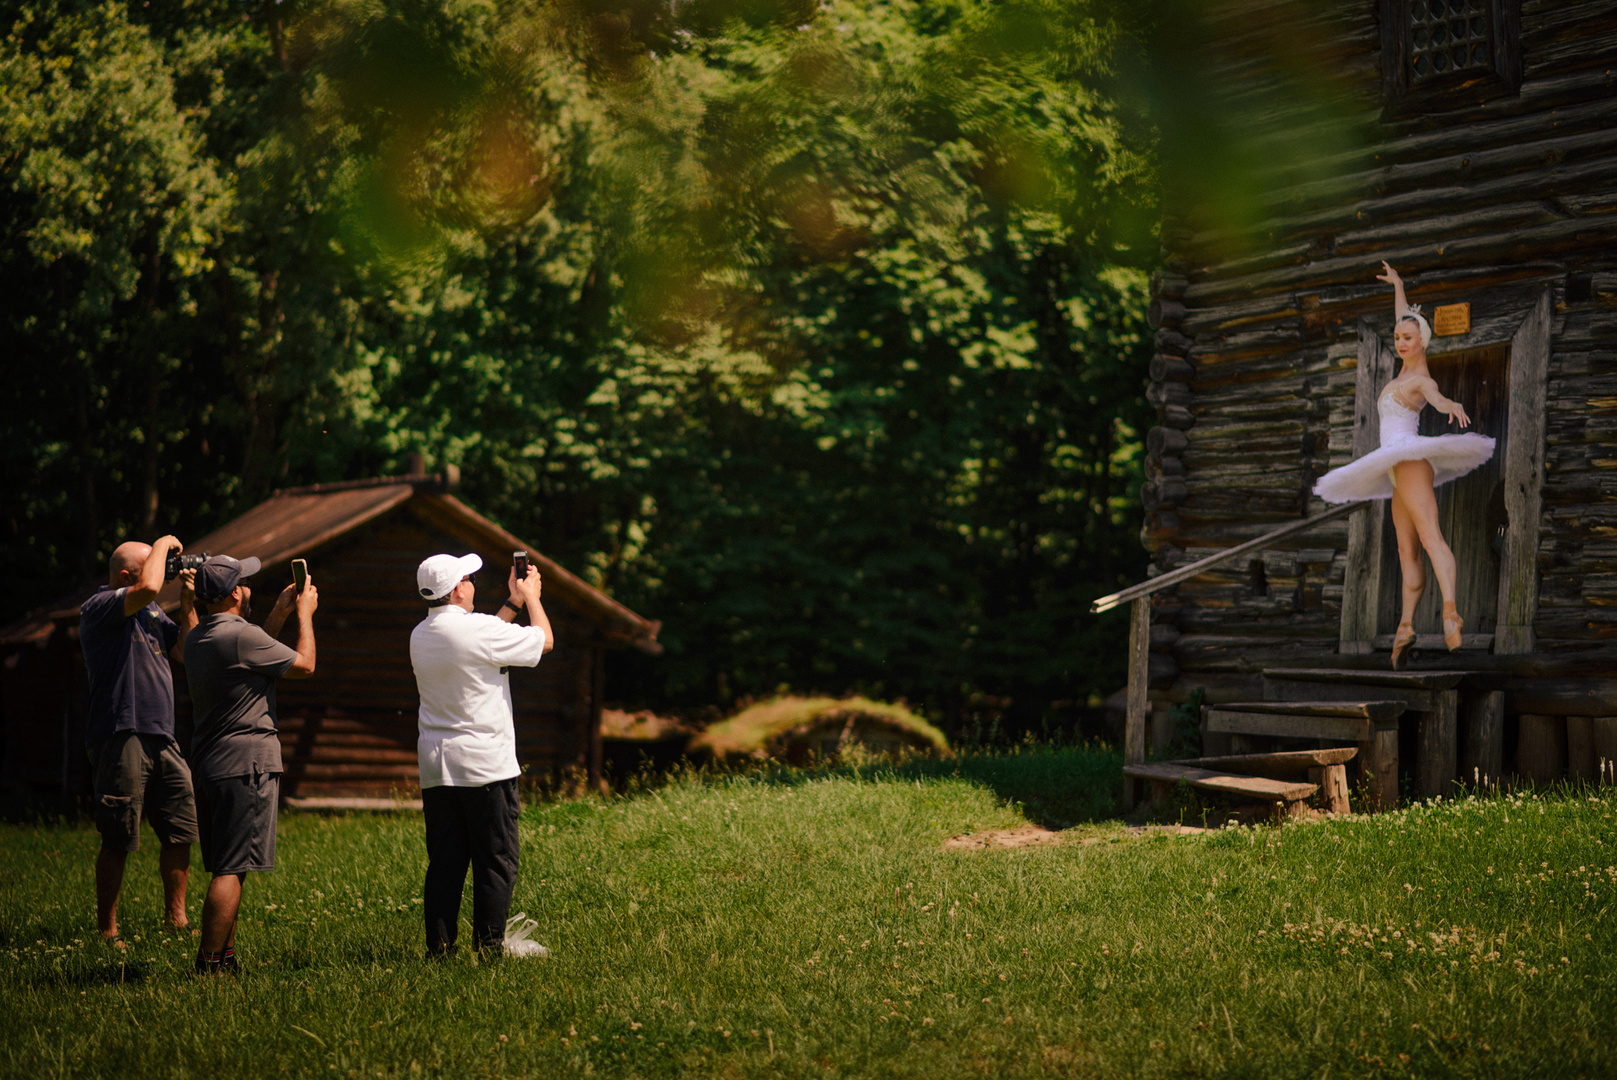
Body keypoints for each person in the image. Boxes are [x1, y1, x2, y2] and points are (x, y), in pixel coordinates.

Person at [1314, 262, 1496, 668]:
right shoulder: (1401, 365)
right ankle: (1406, 625)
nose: (1400, 341)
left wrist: (1451, 405)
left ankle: (1450, 610)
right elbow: (1404, 316)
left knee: (1431, 538)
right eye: (1397, 337)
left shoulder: (1419, 379)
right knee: (1404, 548)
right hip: (1395, 466)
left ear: (1422, 342)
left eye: (1407, 338)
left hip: (1410, 459)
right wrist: (1398, 285)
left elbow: (1436, 397)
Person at [410, 552, 552, 958]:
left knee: (446, 863)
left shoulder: (421, 634)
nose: (473, 584)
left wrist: (512, 604)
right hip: (486, 766)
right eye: (468, 578)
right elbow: (545, 641)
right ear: (457, 589)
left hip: (438, 767)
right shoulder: (477, 631)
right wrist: (533, 597)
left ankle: (439, 950)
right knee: (496, 860)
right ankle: (490, 947)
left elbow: (481, 639)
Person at [183, 554, 317, 973]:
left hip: (211, 763)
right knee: (232, 869)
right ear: (236, 592)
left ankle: (225, 960)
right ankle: (207, 965)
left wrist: (277, 613)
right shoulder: (241, 637)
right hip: (247, 765)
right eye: (244, 580)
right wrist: (304, 615)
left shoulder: (198, 637)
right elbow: (305, 665)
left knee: (228, 864)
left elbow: (253, 654)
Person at [79, 534, 200, 946]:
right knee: (119, 835)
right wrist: (164, 541)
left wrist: (186, 607)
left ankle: (176, 920)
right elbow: (148, 585)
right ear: (127, 574)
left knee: (181, 829)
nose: (163, 570)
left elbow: (185, 653)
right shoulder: (100, 606)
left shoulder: (150, 612)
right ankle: (107, 931)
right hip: (121, 732)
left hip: (162, 734)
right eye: (154, 562)